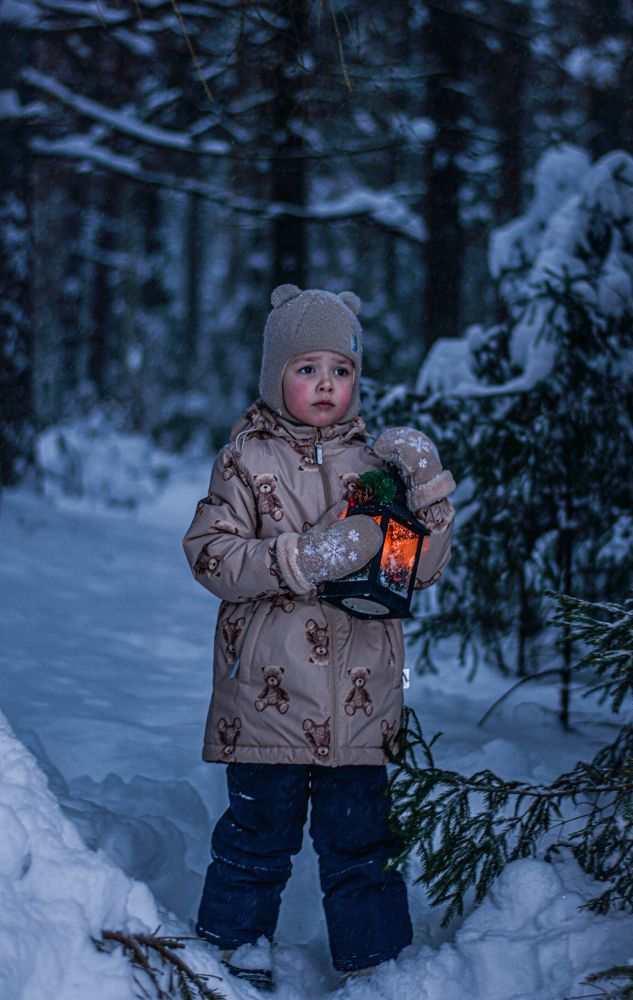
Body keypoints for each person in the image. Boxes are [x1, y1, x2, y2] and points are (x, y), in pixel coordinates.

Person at [181, 284, 456, 991]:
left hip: (358, 710)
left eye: (340, 369)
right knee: (254, 844)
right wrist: (301, 558)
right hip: (266, 706)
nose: (326, 384)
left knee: (362, 848)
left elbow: (415, 570)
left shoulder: (376, 466)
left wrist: (428, 491)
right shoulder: (245, 460)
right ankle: (231, 961)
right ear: (277, 375)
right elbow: (210, 554)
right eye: (307, 369)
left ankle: (376, 970)